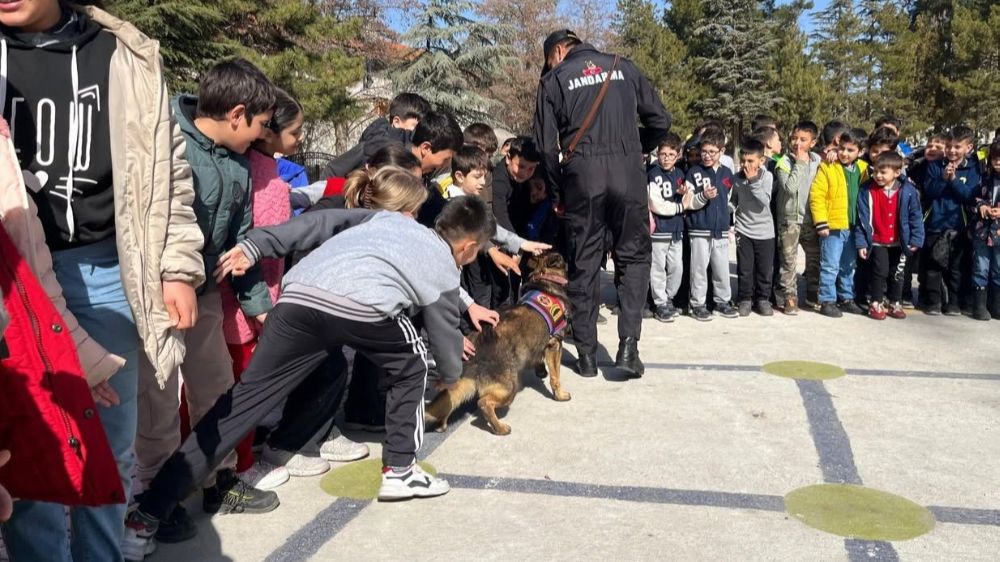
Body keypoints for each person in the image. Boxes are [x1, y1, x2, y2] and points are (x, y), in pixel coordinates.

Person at [124, 178, 494, 558]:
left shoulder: (386, 220)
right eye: (476, 252)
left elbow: (318, 224)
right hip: (359, 307)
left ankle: (145, 517)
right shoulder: (446, 268)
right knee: (413, 362)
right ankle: (400, 471)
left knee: (238, 407)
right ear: (468, 247)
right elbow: (445, 335)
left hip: (298, 298)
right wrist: (452, 378)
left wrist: (257, 244)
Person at [0, 1, 206, 559]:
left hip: (107, 269)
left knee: (111, 441)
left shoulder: (125, 53)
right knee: (29, 446)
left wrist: (177, 266)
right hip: (10, 280)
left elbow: (170, 170)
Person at [135, 59, 279, 542]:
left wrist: (257, 301)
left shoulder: (236, 162)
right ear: (237, 114)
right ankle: (155, 496)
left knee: (216, 390)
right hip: (157, 295)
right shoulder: (165, 140)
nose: (262, 136)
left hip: (206, 296)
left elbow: (241, 239)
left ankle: (216, 480)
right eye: (260, 125)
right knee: (157, 399)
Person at [534, 28, 671, 378]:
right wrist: (635, 145)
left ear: (560, 50)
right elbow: (661, 120)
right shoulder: (624, 66)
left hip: (583, 176)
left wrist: (557, 192)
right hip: (628, 172)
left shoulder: (554, 81)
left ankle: (587, 356)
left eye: (548, 61)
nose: (548, 68)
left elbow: (547, 149)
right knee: (634, 259)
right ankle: (628, 347)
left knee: (585, 264)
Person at [854, 152, 924, 320]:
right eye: (876, 171)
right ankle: (876, 302)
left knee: (897, 273)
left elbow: (916, 215)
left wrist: (916, 238)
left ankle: (894, 302)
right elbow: (861, 219)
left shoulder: (908, 191)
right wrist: (862, 242)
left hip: (899, 242)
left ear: (897, 172)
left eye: (883, 172)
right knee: (880, 272)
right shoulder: (867, 190)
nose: (878, 175)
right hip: (877, 241)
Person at [920, 126, 980, 315]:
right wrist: (944, 178)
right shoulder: (935, 166)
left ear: (968, 148)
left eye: (957, 147)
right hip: (935, 223)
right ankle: (933, 301)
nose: (952, 151)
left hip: (958, 226)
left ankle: (953, 302)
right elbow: (929, 191)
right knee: (933, 266)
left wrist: (953, 180)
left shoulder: (972, 169)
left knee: (956, 268)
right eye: (949, 147)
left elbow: (969, 196)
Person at [811, 129, 869, 318]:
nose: (844, 153)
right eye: (842, 148)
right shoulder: (828, 166)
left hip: (854, 226)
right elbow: (817, 195)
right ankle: (827, 300)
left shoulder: (864, 168)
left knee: (848, 265)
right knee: (830, 265)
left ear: (860, 152)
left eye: (850, 150)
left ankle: (846, 298)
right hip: (833, 226)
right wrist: (821, 222)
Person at [685, 131, 738, 321]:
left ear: (722, 151)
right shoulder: (694, 172)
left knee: (721, 267)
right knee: (699, 268)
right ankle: (697, 303)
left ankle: (722, 301)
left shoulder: (726, 173)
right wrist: (703, 197)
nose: (707, 155)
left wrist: (729, 220)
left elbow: (730, 199)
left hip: (721, 229)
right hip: (699, 228)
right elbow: (688, 201)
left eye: (713, 152)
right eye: (704, 151)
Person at [774, 120, 822, 315]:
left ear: (813, 142)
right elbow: (790, 188)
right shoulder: (784, 162)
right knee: (788, 260)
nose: (797, 143)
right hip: (790, 219)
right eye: (794, 138)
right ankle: (789, 297)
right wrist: (800, 163)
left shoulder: (818, 160)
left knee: (814, 258)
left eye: (803, 139)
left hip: (811, 219)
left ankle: (812, 293)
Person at [322, 92, 431, 178]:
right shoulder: (374, 144)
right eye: (415, 126)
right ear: (396, 122)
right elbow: (333, 170)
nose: (418, 132)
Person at [730, 139, 776, 317]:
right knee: (745, 268)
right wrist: (729, 209)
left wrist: (753, 181)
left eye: (750, 161)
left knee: (764, 269)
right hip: (744, 229)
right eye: (743, 161)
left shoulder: (767, 177)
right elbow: (734, 199)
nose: (746, 165)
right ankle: (745, 299)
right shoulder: (736, 178)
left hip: (765, 231)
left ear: (761, 161)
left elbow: (765, 201)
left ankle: (763, 299)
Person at [647, 133, 687, 323]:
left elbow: (686, 196)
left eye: (671, 154)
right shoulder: (653, 174)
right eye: (663, 154)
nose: (666, 158)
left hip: (676, 230)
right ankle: (660, 303)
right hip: (659, 231)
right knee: (657, 269)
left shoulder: (680, 174)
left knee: (676, 267)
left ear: (678, 155)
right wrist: (679, 206)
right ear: (658, 154)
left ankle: (668, 296)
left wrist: (684, 195)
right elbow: (656, 203)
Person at [969, 142, 1000, 320]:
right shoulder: (985, 179)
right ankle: (979, 306)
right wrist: (982, 206)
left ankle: (995, 305)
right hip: (983, 231)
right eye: (996, 158)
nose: (998, 162)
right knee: (981, 267)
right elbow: (975, 198)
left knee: (998, 268)